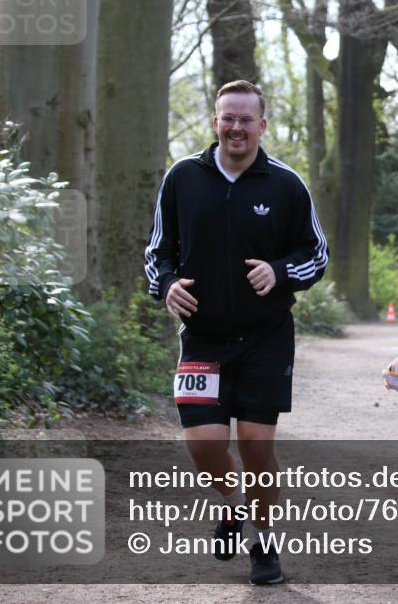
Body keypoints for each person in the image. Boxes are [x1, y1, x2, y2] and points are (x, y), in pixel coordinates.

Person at [144, 79, 328, 585]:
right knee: (203, 446)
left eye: (247, 119)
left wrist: (280, 272)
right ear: (215, 121)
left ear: (262, 126)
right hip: (202, 338)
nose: (237, 127)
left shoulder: (286, 184)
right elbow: (156, 251)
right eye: (228, 117)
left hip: (265, 339)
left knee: (254, 445)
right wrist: (165, 287)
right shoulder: (183, 178)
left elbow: (316, 254)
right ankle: (236, 502)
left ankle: (264, 543)